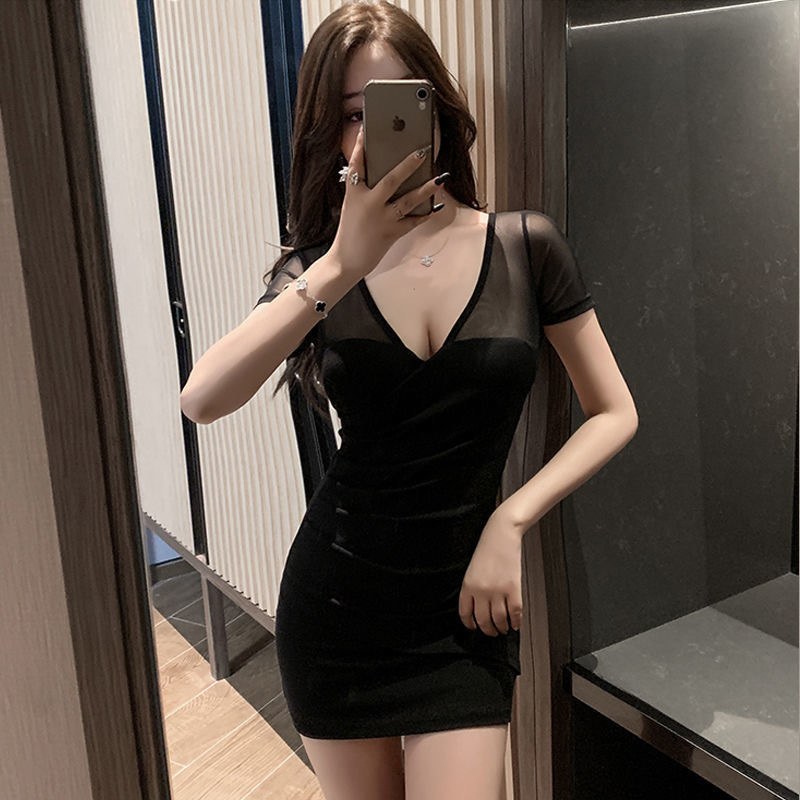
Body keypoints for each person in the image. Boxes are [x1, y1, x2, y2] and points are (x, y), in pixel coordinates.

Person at [180, 2, 638, 798]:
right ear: (328, 133)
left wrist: (511, 519)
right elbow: (202, 400)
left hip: (465, 616)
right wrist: (339, 265)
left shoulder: (524, 246)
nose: (371, 134)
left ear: (436, 108)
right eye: (351, 114)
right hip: (336, 606)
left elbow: (615, 411)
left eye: (394, 104)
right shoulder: (317, 274)